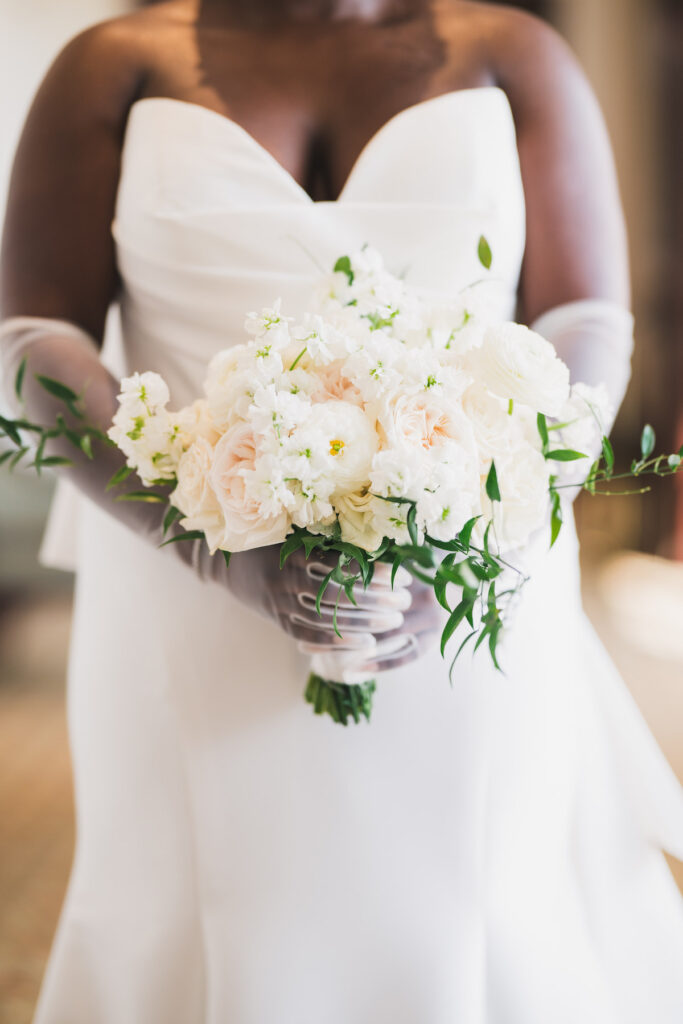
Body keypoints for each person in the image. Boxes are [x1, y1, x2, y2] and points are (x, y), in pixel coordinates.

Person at [2, 1, 683, 1021]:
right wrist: (217, 552)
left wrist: (482, 536)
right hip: (181, 574)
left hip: (461, 585)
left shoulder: (512, 52)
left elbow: (581, 318)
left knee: (474, 893)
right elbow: (37, 334)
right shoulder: (112, 63)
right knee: (196, 903)